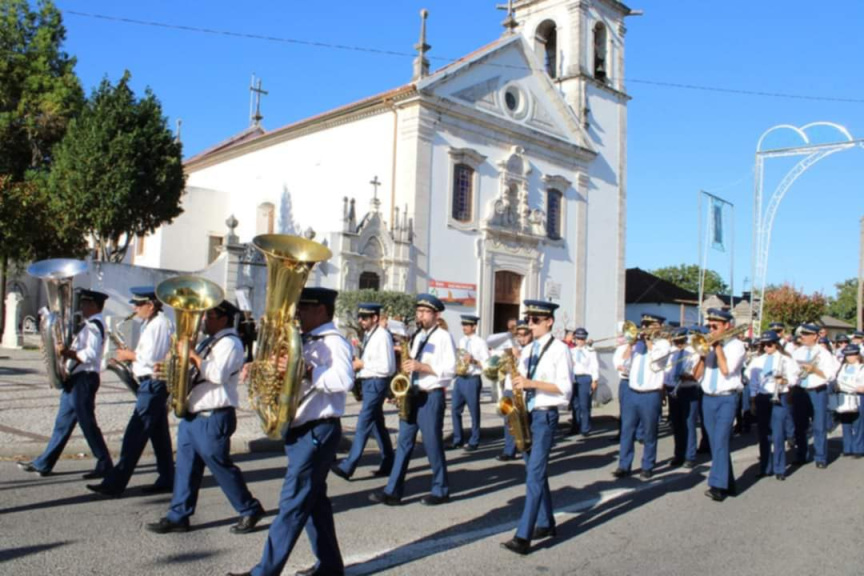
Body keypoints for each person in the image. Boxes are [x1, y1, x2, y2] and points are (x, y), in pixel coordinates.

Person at [231, 288, 353, 576]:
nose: (298, 314)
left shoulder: (333, 342)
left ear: (321, 310)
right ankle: (330, 567)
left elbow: (344, 379)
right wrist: (262, 368)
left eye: (304, 308)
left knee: (292, 504)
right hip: (301, 430)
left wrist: (305, 370)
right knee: (314, 503)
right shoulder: (306, 339)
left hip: (317, 431)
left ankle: (264, 572)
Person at [147, 300, 264, 535]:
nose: (204, 321)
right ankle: (178, 516)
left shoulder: (231, 343)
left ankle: (249, 508)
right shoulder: (208, 342)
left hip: (213, 415)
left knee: (220, 466)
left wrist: (193, 356)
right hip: (193, 413)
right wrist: (170, 368)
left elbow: (217, 374)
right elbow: (189, 371)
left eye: (209, 317)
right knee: (185, 468)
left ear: (223, 319)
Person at [500, 300, 572, 556]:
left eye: (535, 320)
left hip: (545, 416)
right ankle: (546, 521)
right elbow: (518, 381)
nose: (529, 324)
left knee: (534, 474)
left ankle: (523, 536)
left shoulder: (560, 350)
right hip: (526, 415)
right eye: (528, 319)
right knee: (534, 470)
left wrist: (531, 383)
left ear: (549, 322)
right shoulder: (529, 349)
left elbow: (564, 389)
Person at [370, 294, 456, 506]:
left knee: (432, 444)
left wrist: (422, 367)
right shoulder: (417, 336)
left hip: (431, 396)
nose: (421, 316)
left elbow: (450, 369)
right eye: (419, 312)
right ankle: (393, 491)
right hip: (412, 394)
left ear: (436, 315)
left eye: (425, 312)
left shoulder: (443, 337)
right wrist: (400, 389)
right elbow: (409, 366)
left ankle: (441, 490)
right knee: (403, 443)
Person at [88, 287, 175, 497]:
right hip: (150, 383)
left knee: (134, 435)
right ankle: (168, 478)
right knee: (159, 437)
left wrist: (129, 356)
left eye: (138, 304)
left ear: (151, 305)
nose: (134, 308)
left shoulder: (159, 324)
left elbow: (152, 359)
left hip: (153, 384)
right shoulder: (151, 323)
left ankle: (114, 484)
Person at [18, 289, 113, 479]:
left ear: (94, 305)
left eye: (85, 304)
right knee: (62, 424)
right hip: (76, 379)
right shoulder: (88, 325)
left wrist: (66, 352)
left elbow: (90, 354)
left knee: (87, 424)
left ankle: (105, 463)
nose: (82, 307)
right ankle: (44, 463)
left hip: (84, 379)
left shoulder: (94, 326)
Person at [332, 302, 395, 480]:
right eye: (360, 317)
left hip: (376, 382)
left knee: (364, 422)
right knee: (377, 424)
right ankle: (389, 462)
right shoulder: (370, 334)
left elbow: (387, 367)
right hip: (369, 382)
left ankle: (348, 465)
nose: (361, 320)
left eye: (365, 317)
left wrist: (362, 364)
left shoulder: (382, 336)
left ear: (375, 318)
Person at [693, 308, 746, 502]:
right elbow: (696, 376)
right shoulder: (707, 346)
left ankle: (717, 486)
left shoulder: (736, 346)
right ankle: (728, 483)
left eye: (715, 326)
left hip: (726, 398)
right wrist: (701, 355)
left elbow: (726, 370)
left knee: (721, 440)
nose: (711, 329)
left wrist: (717, 347)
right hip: (708, 398)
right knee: (715, 442)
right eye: (709, 326)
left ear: (727, 326)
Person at [612, 313, 669, 480]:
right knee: (627, 431)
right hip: (632, 393)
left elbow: (657, 357)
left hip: (651, 395)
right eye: (644, 325)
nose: (645, 328)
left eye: (650, 325)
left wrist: (649, 341)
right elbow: (623, 365)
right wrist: (630, 345)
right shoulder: (636, 346)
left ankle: (647, 465)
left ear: (659, 327)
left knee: (649, 432)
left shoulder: (663, 344)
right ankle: (624, 465)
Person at [747, 331, 798, 481]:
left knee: (778, 434)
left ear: (776, 344)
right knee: (763, 434)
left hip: (779, 396)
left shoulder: (785, 359)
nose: (766, 348)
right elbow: (753, 380)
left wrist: (785, 381)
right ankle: (765, 467)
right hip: (762, 397)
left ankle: (779, 468)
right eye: (763, 345)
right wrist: (753, 399)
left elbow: (794, 378)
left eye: (769, 344)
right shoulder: (758, 360)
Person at [791, 323, 839, 469]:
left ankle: (820, 457)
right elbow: (791, 372)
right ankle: (801, 454)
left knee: (819, 425)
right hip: (800, 390)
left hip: (817, 390)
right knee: (800, 425)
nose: (803, 337)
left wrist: (814, 370)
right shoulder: (797, 352)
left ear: (815, 336)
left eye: (806, 334)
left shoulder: (824, 353)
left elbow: (830, 375)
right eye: (802, 334)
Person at [450, 314, 490, 451]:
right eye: (463, 325)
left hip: (472, 379)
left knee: (474, 411)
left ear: (474, 326)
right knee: (455, 409)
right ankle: (457, 439)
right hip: (460, 378)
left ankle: (474, 440)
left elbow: (487, 363)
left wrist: (472, 360)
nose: (464, 327)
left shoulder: (480, 342)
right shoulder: (462, 340)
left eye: (467, 325)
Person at [664, 327, 700, 468]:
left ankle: (690, 456)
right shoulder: (671, 353)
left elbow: (696, 372)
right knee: (677, 424)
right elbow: (667, 371)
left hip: (688, 389)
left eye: (679, 341)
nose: (677, 344)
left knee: (689, 424)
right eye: (675, 341)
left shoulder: (694, 352)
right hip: (673, 389)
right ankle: (678, 455)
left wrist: (689, 376)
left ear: (685, 339)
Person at [497, 320, 532, 461]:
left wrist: (518, 356)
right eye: (519, 335)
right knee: (508, 420)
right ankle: (509, 450)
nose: (521, 338)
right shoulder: (512, 347)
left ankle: (525, 450)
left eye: (524, 334)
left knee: (523, 422)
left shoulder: (532, 349)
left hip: (523, 390)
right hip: (509, 387)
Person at [833, 344, 864, 458]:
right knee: (846, 423)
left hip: (858, 396)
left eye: (853, 354)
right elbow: (838, 380)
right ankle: (847, 447)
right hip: (844, 396)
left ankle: (859, 448)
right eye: (848, 355)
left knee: (858, 424)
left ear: (858, 354)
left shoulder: (861, 367)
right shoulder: (843, 367)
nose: (850, 357)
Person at [569, 327, 598, 436]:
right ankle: (575, 427)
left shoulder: (590, 351)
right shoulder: (571, 351)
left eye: (582, 339)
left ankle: (585, 428)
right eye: (578, 339)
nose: (580, 341)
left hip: (585, 378)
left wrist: (595, 380)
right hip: (574, 378)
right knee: (575, 405)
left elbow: (594, 366)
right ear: (575, 339)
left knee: (584, 404)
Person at [611, 330, 632, 443]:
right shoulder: (621, 348)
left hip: (637, 382)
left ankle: (639, 433)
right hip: (625, 381)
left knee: (638, 410)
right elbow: (617, 363)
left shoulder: (640, 347)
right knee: (623, 410)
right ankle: (622, 433)